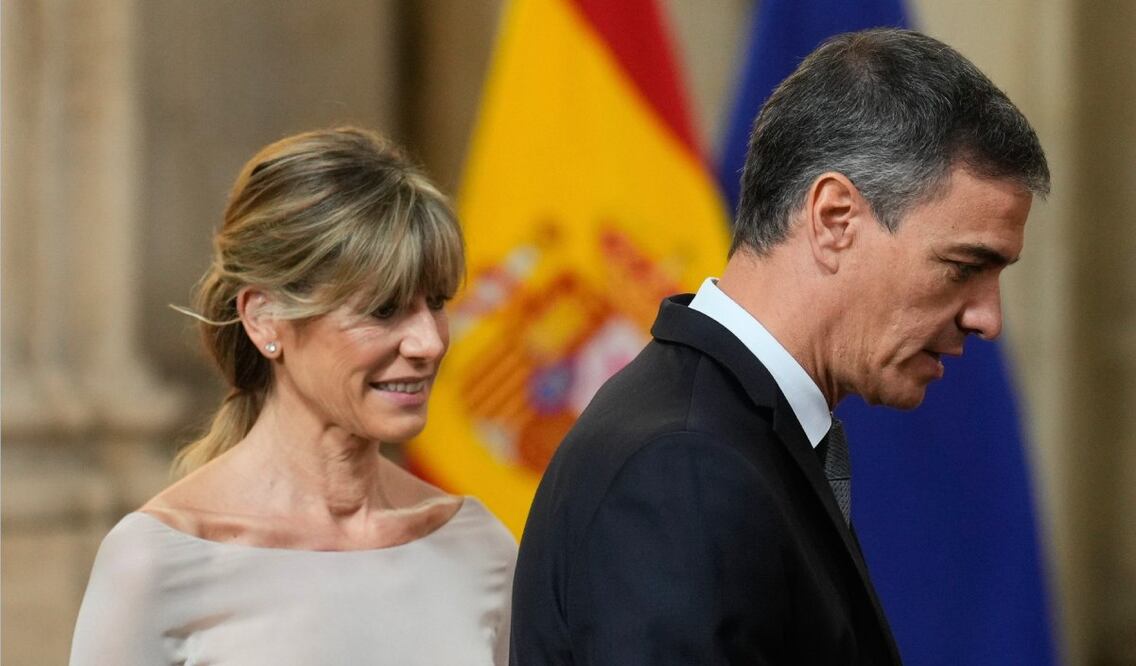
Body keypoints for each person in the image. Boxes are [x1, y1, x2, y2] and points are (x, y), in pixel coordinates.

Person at [510, 28, 1050, 665]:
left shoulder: (725, 434)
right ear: (834, 219)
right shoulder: (683, 467)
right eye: (964, 266)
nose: (988, 319)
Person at [70, 127, 516, 665]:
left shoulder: (478, 545)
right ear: (263, 318)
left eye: (437, 302)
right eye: (383, 309)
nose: (428, 342)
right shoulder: (158, 560)